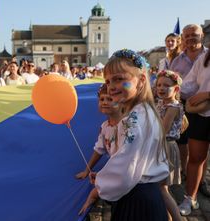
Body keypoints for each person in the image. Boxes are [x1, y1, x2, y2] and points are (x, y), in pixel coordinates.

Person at [79, 49, 169, 221]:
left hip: (136, 202)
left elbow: (125, 171)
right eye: (108, 81)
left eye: (119, 79)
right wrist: (105, 176)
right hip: (148, 197)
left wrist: (98, 188)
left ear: (141, 80)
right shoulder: (147, 112)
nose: (111, 86)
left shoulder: (133, 121)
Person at [169, 24, 208, 182]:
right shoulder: (176, 61)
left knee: (202, 149)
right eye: (187, 35)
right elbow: (173, 83)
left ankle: (201, 180)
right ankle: (185, 170)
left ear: (202, 35)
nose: (191, 38)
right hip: (184, 104)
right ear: (183, 39)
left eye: (195, 34)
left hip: (206, 106)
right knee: (183, 140)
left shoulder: (207, 55)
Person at [178, 49, 210, 215]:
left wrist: (207, 94)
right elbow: (189, 83)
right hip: (201, 114)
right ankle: (190, 198)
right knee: (196, 158)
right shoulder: (204, 57)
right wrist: (172, 87)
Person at [75, 83, 122, 179]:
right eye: (102, 99)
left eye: (110, 99)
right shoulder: (105, 126)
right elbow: (99, 149)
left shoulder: (125, 126)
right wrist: (87, 170)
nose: (104, 102)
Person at [155, 70, 184, 221]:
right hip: (161, 145)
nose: (161, 88)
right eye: (159, 84)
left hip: (165, 146)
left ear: (176, 89)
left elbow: (162, 129)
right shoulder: (162, 103)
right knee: (161, 188)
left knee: (162, 189)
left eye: (166, 85)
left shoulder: (172, 107)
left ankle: (177, 218)